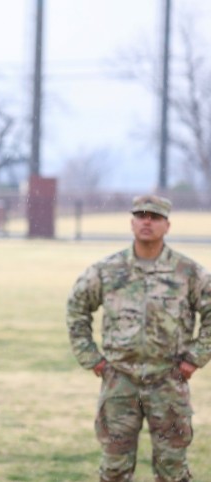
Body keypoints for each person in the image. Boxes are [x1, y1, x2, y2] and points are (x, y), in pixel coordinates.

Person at [66, 195, 211, 482]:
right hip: (120, 380)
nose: (147, 221)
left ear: (167, 225)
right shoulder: (108, 270)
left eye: (155, 217)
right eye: (141, 215)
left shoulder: (188, 273)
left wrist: (196, 358)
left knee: (173, 468)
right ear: (131, 222)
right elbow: (76, 309)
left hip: (168, 380)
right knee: (114, 468)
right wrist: (92, 358)